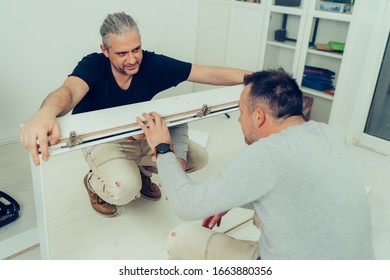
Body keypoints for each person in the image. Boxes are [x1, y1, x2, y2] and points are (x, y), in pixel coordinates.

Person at [19, 12, 251, 217]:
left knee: (197, 158)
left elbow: (208, 73)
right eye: (122, 53)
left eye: (136, 49)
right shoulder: (93, 65)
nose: (132, 59)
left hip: (139, 136)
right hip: (102, 141)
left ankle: (142, 173)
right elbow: (69, 92)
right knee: (123, 191)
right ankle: (93, 181)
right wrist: (45, 113)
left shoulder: (150, 63)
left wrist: (258, 79)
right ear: (105, 51)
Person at [136, 69, 375, 260]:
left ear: (259, 116)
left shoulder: (268, 153)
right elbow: (291, 187)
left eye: (241, 111)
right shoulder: (325, 132)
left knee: (181, 238)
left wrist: (163, 148)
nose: (239, 119)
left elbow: (186, 205)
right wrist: (233, 198)